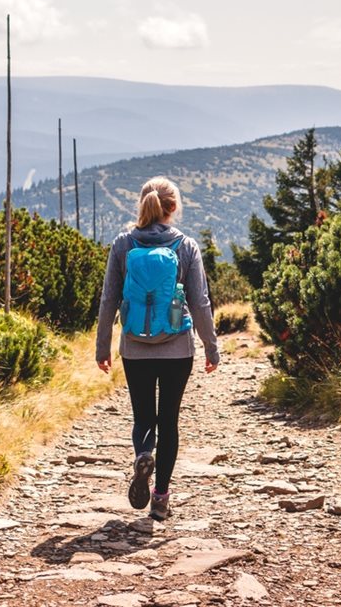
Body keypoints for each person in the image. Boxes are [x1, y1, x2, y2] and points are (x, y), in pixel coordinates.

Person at [96, 176, 220, 522]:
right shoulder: (186, 246)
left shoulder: (123, 244)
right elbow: (200, 303)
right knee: (169, 420)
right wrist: (211, 347)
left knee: (143, 417)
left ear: (143, 204)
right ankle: (161, 497)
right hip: (178, 349)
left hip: (135, 347)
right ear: (173, 208)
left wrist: (102, 346)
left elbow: (109, 299)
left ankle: (143, 453)